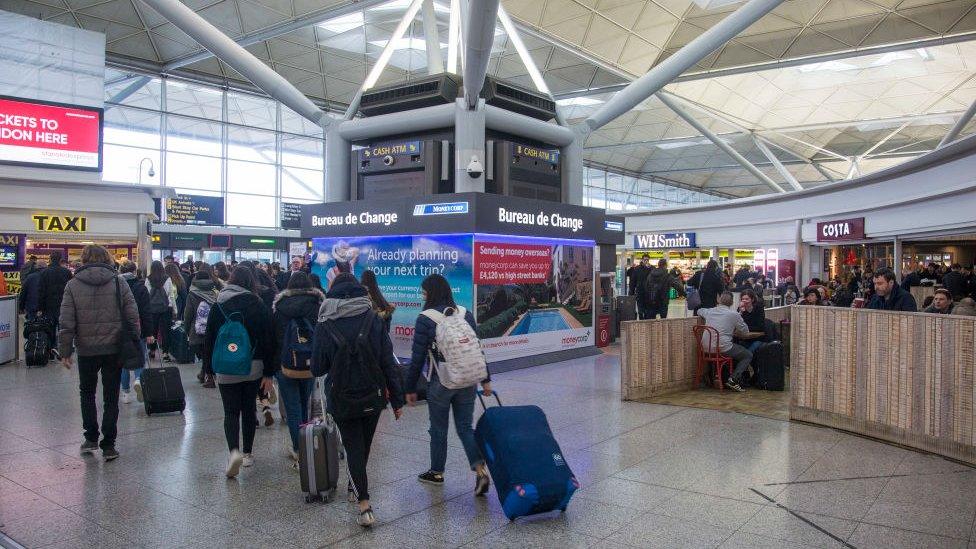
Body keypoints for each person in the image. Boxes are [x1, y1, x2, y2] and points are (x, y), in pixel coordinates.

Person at [311, 273, 404, 527]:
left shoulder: (324, 322)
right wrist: (397, 400)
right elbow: (388, 360)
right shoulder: (373, 319)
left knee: (353, 447)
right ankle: (356, 487)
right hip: (373, 395)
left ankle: (364, 504)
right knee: (362, 446)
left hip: (342, 397)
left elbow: (317, 367)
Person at [404, 274, 492, 497]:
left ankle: (437, 472)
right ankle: (480, 470)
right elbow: (476, 348)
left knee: (438, 429)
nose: (422, 296)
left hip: (441, 382)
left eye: (424, 292)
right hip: (468, 379)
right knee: (465, 428)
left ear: (431, 293)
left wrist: (410, 388)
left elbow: (417, 358)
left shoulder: (426, 318)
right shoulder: (464, 313)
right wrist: (486, 379)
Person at [58, 245, 140, 462]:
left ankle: (91, 437)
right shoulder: (118, 281)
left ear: (83, 259)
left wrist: (65, 350)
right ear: (107, 258)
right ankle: (109, 444)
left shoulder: (72, 285)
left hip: (86, 349)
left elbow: (66, 321)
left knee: (87, 392)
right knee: (111, 396)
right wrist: (135, 339)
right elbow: (132, 313)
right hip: (114, 347)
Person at [204, 267, 275, 479]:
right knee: (248, 409)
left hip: (226, 367)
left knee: (230, 412)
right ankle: (247, 454)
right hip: (253, 366)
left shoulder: (218, 304)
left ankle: (233, 451)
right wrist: (269, 372)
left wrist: (208, 368)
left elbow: (210, 338)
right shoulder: (258, 304)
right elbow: (268, 339)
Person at [272, 271, 323, 463]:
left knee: (293, 407)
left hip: (285, 363)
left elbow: (274, 336)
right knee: (304, 404)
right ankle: (306, 442)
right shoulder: (317, 306)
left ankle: (298, 448)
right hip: (310, 363)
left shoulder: (280, 306)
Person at [697, 291, 750, 393]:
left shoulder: (710, 311)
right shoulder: (734, 314)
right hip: (722, 348)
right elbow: (745, 331)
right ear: (731, 302)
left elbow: (699, 310)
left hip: (704, 347)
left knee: (734, 348)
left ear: (719, 300)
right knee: (747, 355)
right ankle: (733, 379)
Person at [119, 261, 152, 404]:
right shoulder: (141, 287)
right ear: (134, 272)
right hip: (139, 327)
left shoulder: (116, 286)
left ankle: (125, 393)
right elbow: (146, 311)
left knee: (123, 361)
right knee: (140, 357)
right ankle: (139, 380)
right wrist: (150, 332)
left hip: (121, 328)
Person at [184, 269, 220, 388]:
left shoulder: (192, 293)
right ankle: (205, 373)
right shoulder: (215, 292)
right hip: (214, 327)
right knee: (209, 351)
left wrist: (186, 328)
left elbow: (188, 313)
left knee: (202, 352)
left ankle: (208, 375)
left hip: (197, 328)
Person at [145, 261, 177, 362]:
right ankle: (165, 353)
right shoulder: (167, 278)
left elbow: (146, 295)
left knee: (152, 330)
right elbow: (171, 295)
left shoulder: (148, 279)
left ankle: (152, 351)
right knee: (165, 331)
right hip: (166, 308)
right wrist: (175, 310)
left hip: (152, 309)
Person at [38, 250, 73, 324]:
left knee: (49, 328)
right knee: (63, 327)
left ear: (50, 259)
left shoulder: (44, 272)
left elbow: (40, 291)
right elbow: (71, 289)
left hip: (48, 305)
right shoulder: (67, 272)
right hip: (63, 304)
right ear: (60, 260)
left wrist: (40, 307)